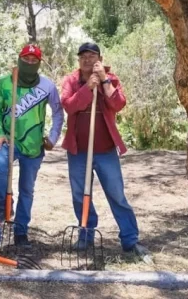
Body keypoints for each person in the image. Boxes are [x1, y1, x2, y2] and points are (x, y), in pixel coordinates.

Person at [61, 42, 150, 259]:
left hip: (105, 150)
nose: (87, 60)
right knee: (80, 195)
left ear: (100, 58)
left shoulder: (111, 78)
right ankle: (85, 234)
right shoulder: (71, 80)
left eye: (92, 56)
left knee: (117, 194)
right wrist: (86, 89)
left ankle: (130, 240)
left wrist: (104, 81)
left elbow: (118, 104)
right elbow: (69, 105)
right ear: (78, 60)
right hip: (78, 150)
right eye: (83, 56)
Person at [0, 44, 63, 247]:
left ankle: (21, 231)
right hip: (9, 140)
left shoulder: (47, 86)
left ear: (39, 63)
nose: (30, 63)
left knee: (27, 190)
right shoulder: (6, 82)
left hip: (33, 145)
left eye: (34, 60)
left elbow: (58, 112)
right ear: (19, 59)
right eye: (26, 58)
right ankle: (5, 205)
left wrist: (53, 137)